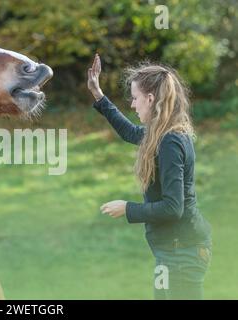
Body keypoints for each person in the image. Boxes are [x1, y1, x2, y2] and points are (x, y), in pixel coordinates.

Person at [86, 54, 212, 299]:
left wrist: (128, 208)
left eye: (135, 99)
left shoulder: (170, 141)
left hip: (184, 252)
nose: (132, 105)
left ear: (150, 99)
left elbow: (173, 207)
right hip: (173, 251)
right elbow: (130, 132)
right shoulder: (159, 134)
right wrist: (98, 95)